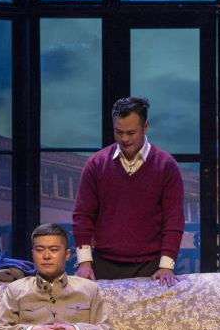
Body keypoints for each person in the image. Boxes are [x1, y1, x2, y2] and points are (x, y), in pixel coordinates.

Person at [72, 97, 185, 284]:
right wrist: (84, 263)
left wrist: (166, 266)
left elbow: (173, 220)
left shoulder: (166, 166)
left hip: (151, 265)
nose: (124, 139)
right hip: (103, 263)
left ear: (145, 126)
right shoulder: (96, 164)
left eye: (131, 132)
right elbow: (83, 215)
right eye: (119, 132)